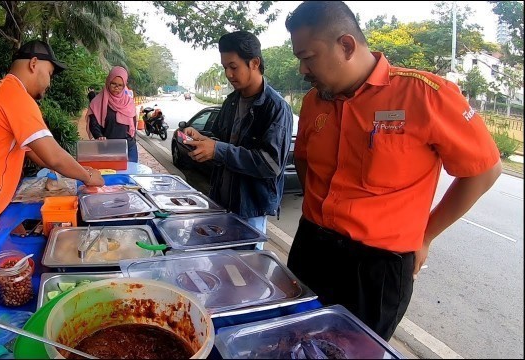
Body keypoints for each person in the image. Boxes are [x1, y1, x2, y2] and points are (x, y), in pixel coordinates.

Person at [284, 1, 502, 341]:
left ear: (346, 45)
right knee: (291, 339)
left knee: (354, 349)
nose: (302, 69)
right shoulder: (315, 101)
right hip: (311, 247)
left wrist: (426, 235)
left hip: (375, 269)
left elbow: (484, 171)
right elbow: (305, 161)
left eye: (308, 57)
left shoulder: (425, 95)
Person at [0, 40, 105, 280]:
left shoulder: (5, 92)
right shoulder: (14, 96)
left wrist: (78, 169)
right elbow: (53, 155)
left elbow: (37, 154)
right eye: (50, 73)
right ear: (34, 64)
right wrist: (88, 177)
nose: (49, 82)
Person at [183, 31, 293, 249]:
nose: (228, 74)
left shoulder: (276, 108)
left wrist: (218, 149)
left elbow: (271, 164)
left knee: (244, 276)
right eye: (225, 67)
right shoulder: (231, 101)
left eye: (233, 67)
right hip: (221, 202)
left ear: (254, 63)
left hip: (249, 210)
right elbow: (222, 142)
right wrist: (203, 140)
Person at [86, 66, 138, 163]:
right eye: (113, 83)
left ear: (124, 86)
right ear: (108, 82)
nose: (116, 87)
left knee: (129, 175)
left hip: (128, 146)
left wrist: (133, 138)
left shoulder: (128, 102)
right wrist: (99, 136)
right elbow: (94, 123)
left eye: (120, 85)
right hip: (107, 146)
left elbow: (133, 123)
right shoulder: (98, 101)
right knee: (110, 175)